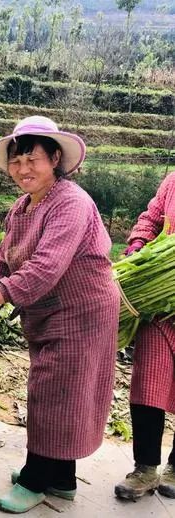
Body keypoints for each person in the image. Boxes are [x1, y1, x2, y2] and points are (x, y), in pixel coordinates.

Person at [0, 116, 119, 513]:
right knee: (62, 394)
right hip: (47, 311)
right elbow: (3, 263)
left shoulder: (71, 202)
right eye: (16, 161)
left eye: (33, 159)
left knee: (53, 394)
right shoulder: (21, 207)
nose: (23, 169)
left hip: (82, 311)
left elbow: (45, 268)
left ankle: (34, 480)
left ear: (55, 159)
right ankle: (61, 479)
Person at [114, 171, 175, 501]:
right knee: (148, 383)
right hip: (159, 304)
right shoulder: (173, 181)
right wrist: (138, 244)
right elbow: (151, 218)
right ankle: (145, 468)